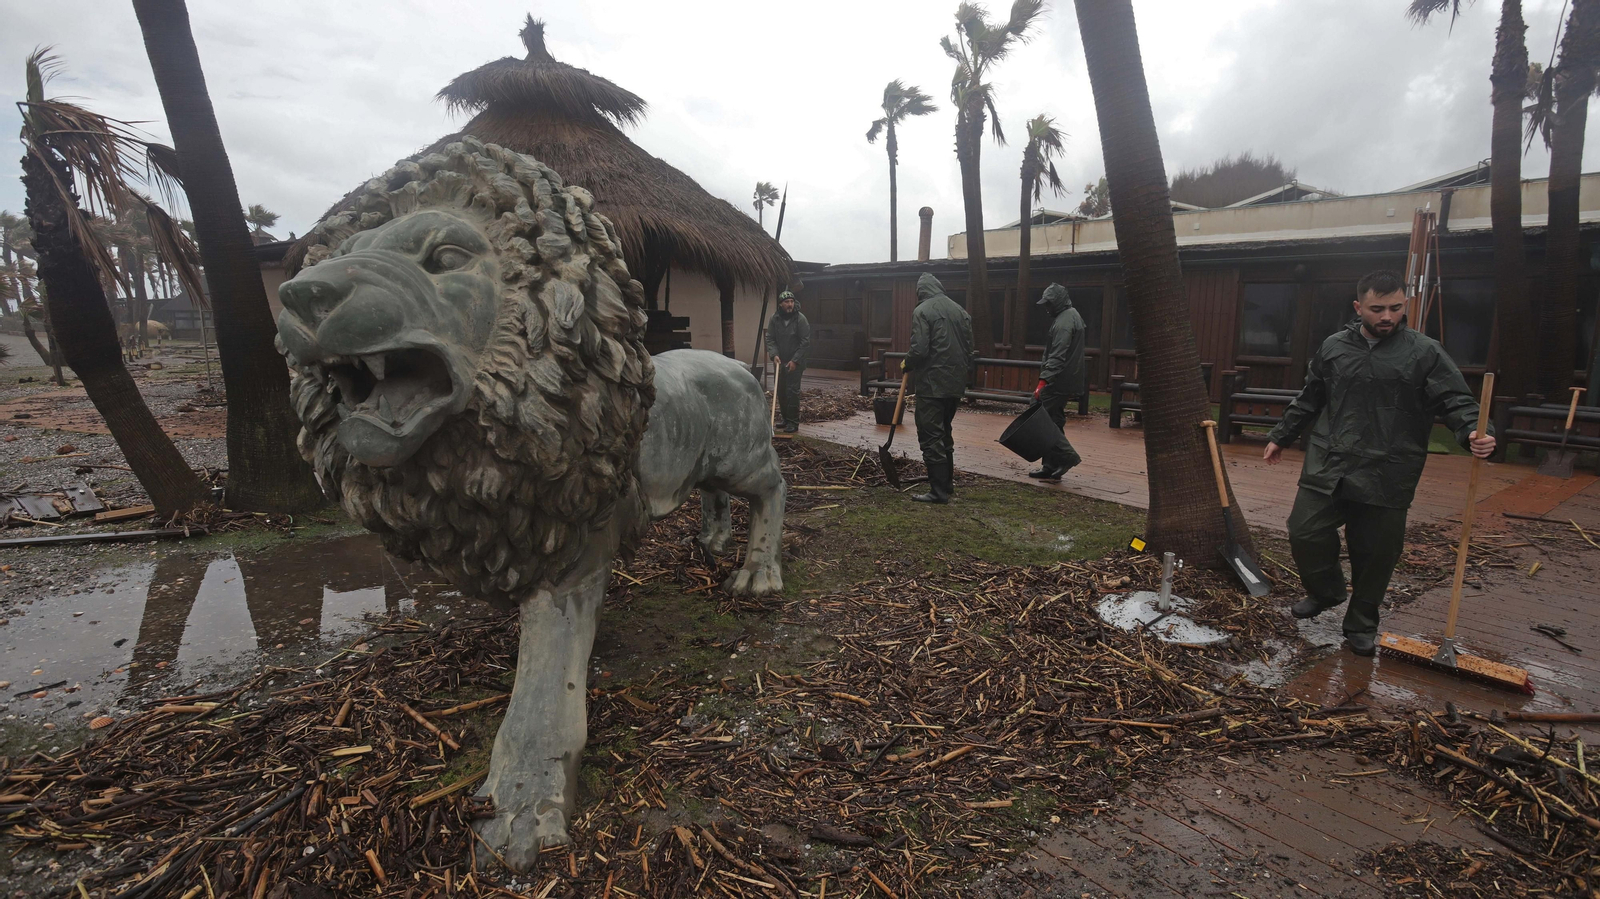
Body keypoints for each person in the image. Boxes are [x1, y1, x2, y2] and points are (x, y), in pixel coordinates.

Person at [1263, 269, 1495, 657]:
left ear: (1406, 305)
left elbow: (1456, 399)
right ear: (1358, 307)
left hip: (1389, 468)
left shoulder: (1424, 352)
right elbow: (1311, 395)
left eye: (1395, 308)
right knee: (1304, 531)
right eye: (1377, 309)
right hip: (1330, 461)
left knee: (1376, 553)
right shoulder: (1335, 347)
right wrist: (1281, 435)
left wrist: (1474, 431)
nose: (1387, 316)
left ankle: (1361, 624)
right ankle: (1326, 591)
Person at [903, 273, 975, 504]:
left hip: (932, 384)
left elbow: (919, 349)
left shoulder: (923, 310)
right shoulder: (960, 311)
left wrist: (907, 362)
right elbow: (969, 349)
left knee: (930, 434)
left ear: (921, 291)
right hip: (955, 384)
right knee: (945, 432)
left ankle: (938, 491)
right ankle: (947, 484)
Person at [1028, 283, 1086, 480]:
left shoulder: (1064, 322)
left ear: (1058, 302)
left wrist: (1043, 382)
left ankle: (1067, 457)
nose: (1047, 308)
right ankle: (1050, 465)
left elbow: (1057, 356)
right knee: (1053, 420)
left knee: (1039, 415)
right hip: (1067, 378)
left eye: (1049, 304)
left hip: (1058, 380)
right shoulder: (1071, 316)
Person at [764, 290, 810, 433]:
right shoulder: (775, 319)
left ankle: (793, 422)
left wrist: (795, 361)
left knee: (792, 391)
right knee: (781, 391)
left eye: (791, 301)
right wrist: (774, 355)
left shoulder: (800, 319)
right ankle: (785, 418)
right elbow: (770, 338)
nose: (790, 304)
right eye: (786, 302)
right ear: (780, 304)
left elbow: (805, 342)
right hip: (780, 361)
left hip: (796, 362)